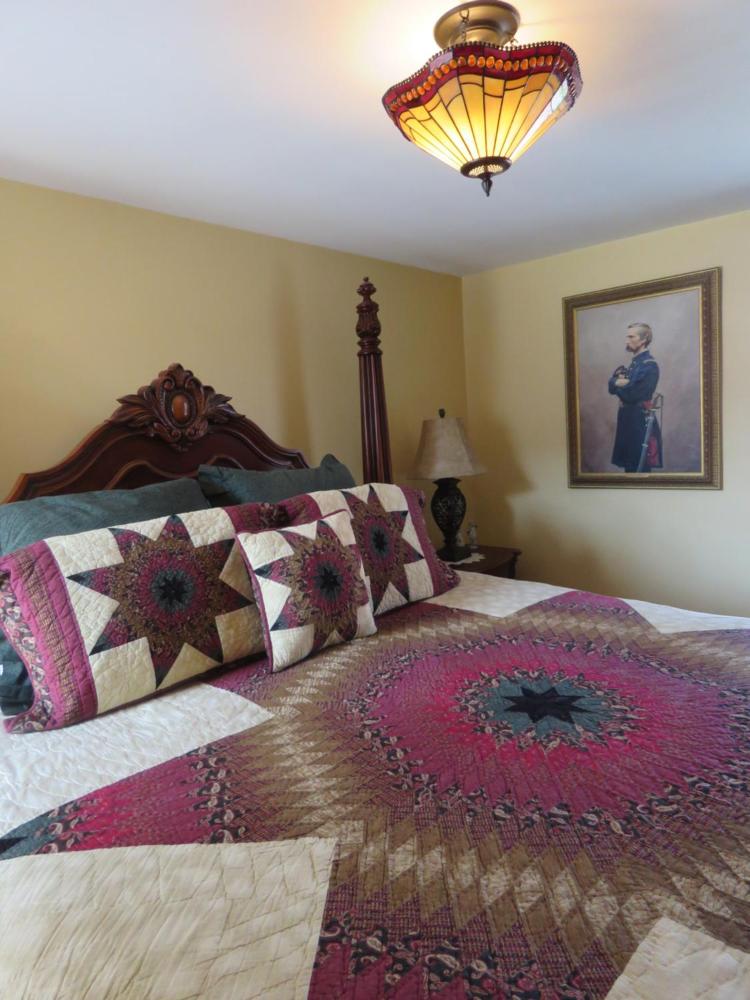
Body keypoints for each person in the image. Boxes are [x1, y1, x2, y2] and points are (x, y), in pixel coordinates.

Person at [608, 323, 662, 472]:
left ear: (644, 339)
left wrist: (617, 383)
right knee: (630, 466)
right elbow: (611, 387)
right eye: (627, 336)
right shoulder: (635, 363)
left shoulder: (649, 365)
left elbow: (631, 395)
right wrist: (616, 382)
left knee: (639, 466)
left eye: (631, 337)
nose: (627, 340)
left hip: (639, 421)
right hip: (628, 419)